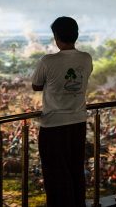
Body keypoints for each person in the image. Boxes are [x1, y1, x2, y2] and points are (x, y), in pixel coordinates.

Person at [31, 16, 93, 207]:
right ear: (76, 35)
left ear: (56, 37)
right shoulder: (86, 58)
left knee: (56, 176)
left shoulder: (48, 61)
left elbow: (36, 85)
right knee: (75, 171)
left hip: (53, 126)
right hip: (78, 123)